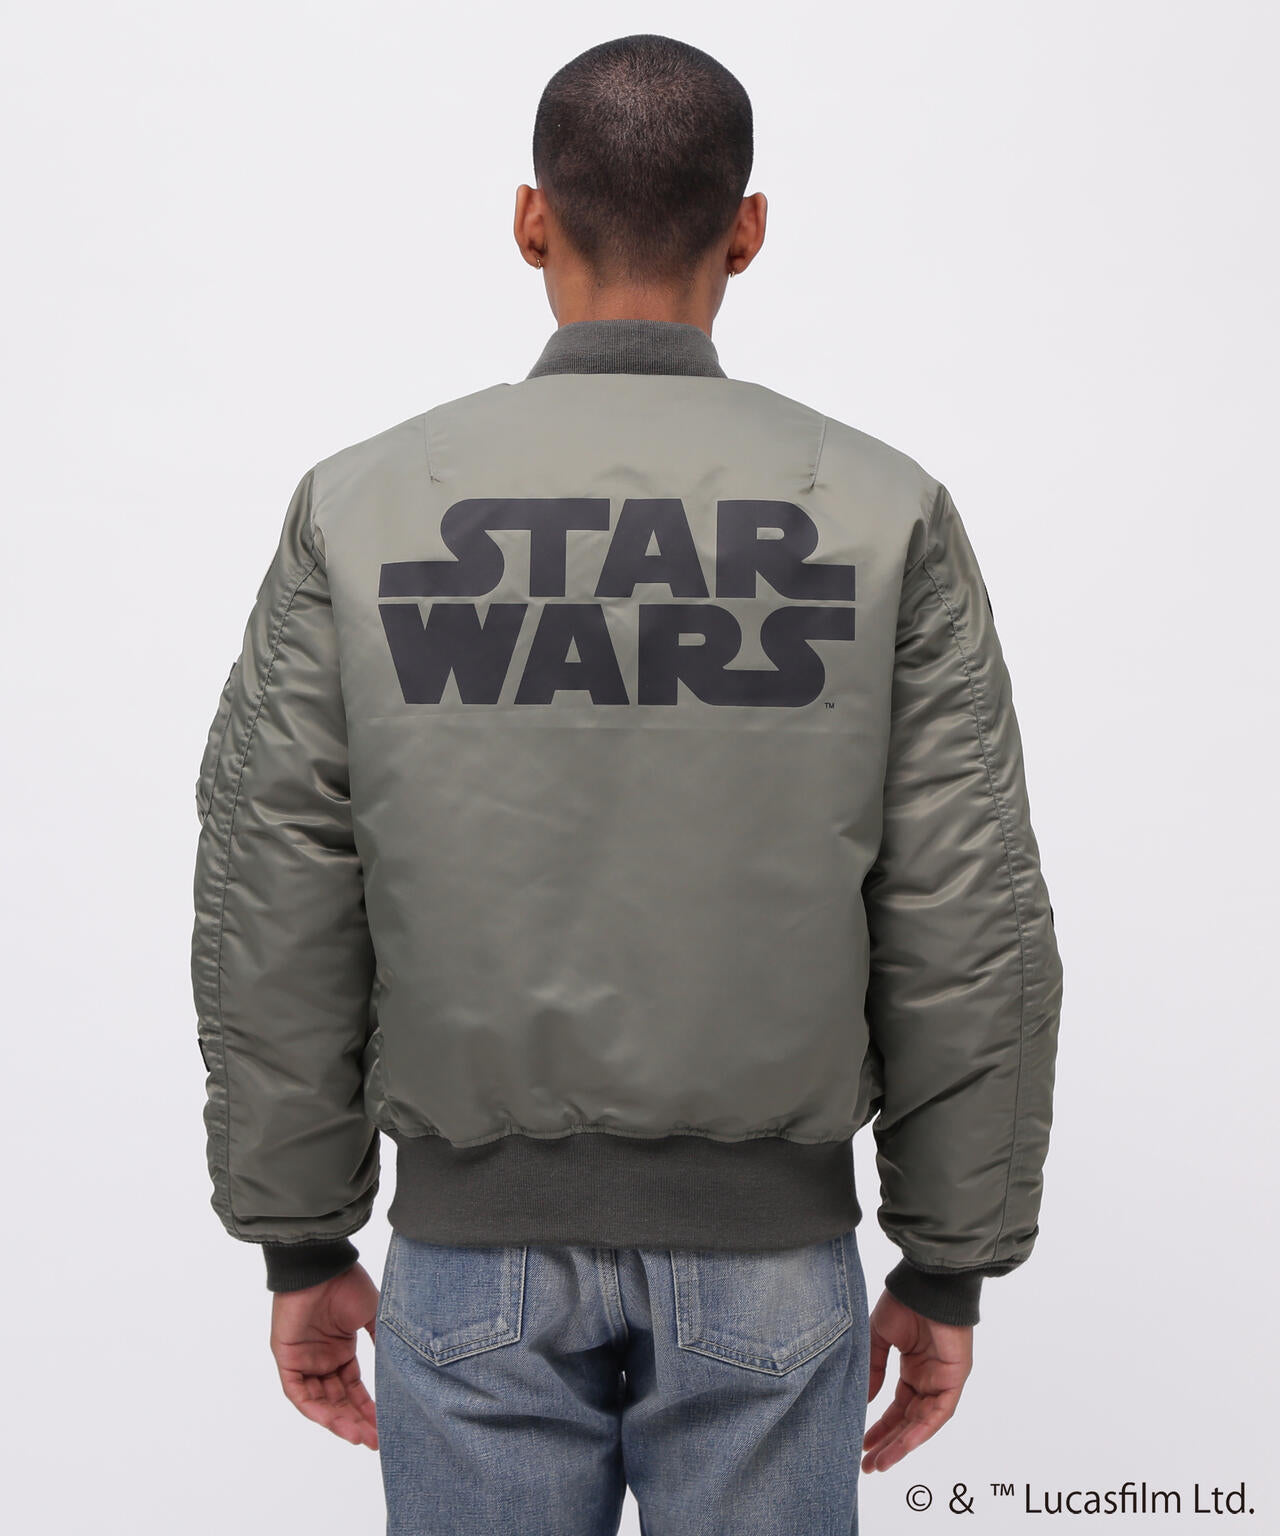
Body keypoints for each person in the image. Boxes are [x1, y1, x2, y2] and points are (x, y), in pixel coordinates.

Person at [190, 32, 1063, 1536]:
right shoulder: (883, 509)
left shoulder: (363, 504)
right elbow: (964, 912)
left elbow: (278, 886)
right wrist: (946, 1260)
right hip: (769, 1267)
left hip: (469, 1263)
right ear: (748, 229)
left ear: (531, 220)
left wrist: (301, 1235)